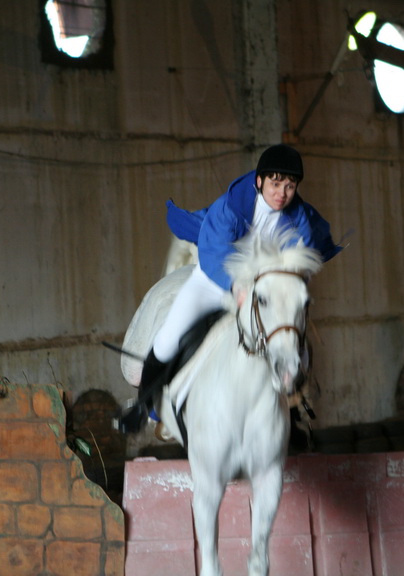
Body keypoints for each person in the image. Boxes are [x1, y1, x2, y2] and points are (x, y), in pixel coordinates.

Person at [120, 144, 343, 433]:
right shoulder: (230, 206)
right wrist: (236, 285)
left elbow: (297, 262)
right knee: (166, 339)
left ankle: (293, 409)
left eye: (290, 186)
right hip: (213, 282)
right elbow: (214, 252)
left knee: (296, 346)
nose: (282, 193)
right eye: (275, 184)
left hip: (261, 292)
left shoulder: (298, 218)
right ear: (259, 181)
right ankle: (142, 407)